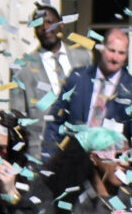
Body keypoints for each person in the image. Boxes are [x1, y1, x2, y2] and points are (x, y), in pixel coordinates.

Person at [47, 27, 132, 155]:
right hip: (74, 160)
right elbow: (55, 121)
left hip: (111, 166)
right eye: (111, 50)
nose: (115, 58)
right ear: (102, 48)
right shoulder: (77, 78)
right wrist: (51, 159)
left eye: (121, 53)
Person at [9, 11, 87, 165]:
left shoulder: (84, 58)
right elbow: (17, 115)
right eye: (39, 24)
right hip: (40, 154)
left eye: (50, 22)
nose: (45, 28)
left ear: (61, 25)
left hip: (81, 151)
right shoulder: (21, 67)